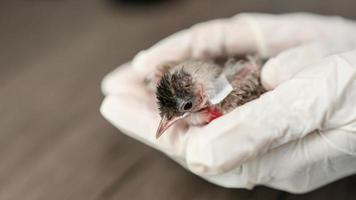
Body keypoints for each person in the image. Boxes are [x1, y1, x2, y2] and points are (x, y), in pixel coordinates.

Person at [100, 13, 356, 193]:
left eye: (185, 108)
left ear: (200, 95)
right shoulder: (194, 87)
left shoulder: (235, 92)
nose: (169, 121)